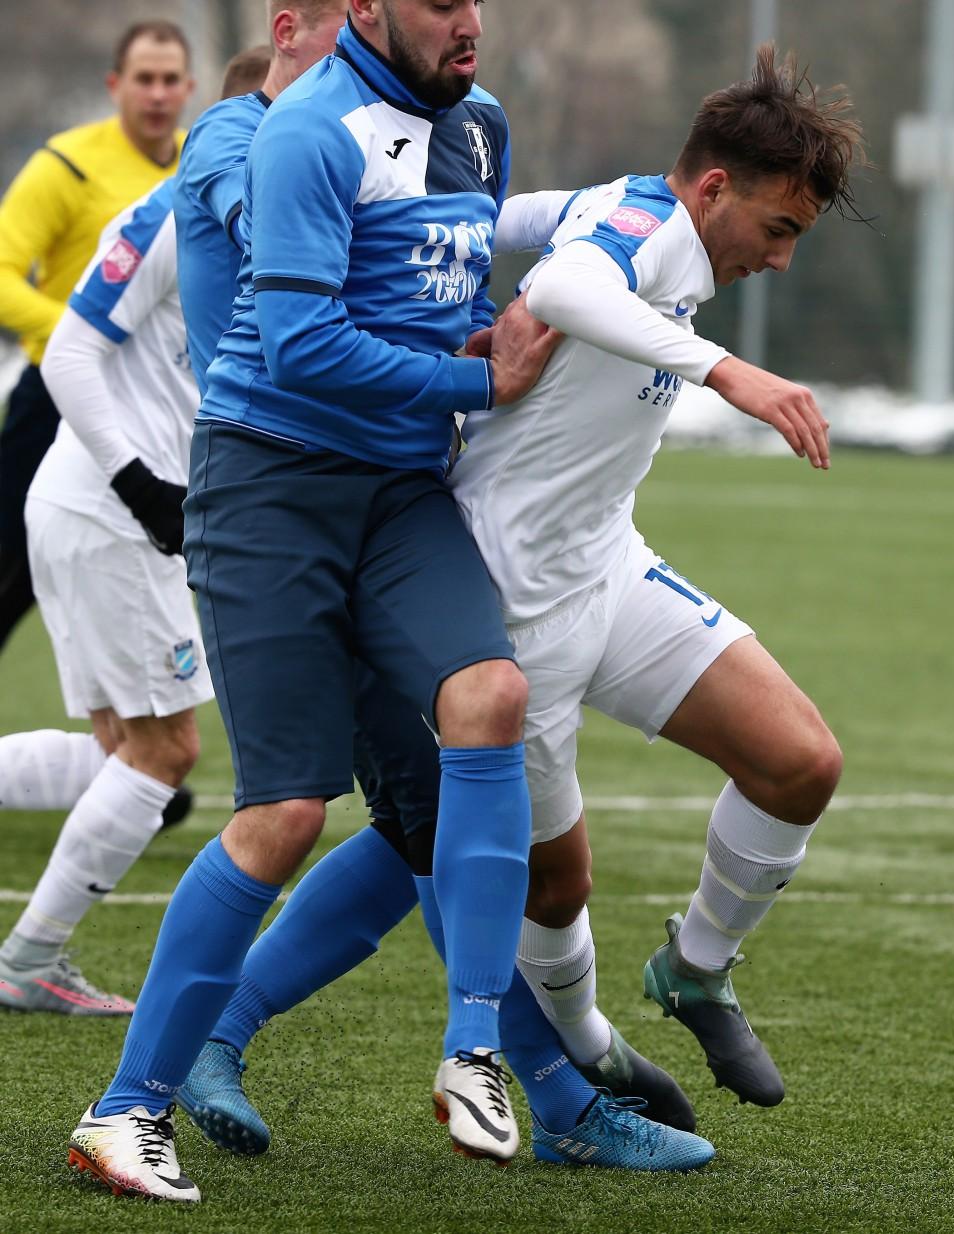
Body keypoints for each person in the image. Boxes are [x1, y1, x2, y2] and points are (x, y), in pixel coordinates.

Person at [161, 41, 861, 1158]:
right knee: (490, 863)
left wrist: (465, 274)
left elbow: (499, 223)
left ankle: (693, 971)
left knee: (799, 760)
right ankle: (581, 1064)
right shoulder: (637, 232)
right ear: (714, 187)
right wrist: (726, 370)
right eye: (777, 230)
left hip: (608, 569)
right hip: (497, 592)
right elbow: (575, 282)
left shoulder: (621, 207)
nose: (778, 258)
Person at [67, 0, 571, 1203]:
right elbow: (299, 346)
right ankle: (124, 1109)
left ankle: (474, 1051)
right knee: (286, 812)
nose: (469, 22)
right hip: (269, 487)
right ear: (363, 9)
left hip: (400, 491)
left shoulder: (482, 125)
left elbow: (455, 295)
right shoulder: (301, 131)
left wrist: (494, 338)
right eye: (440, 2)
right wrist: (479, 383)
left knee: (490, 699)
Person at [0, 42, 276, 1023]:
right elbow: (68, 353)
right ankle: (29, 960)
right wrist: (144, 487)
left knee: (121, 747)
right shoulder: (170, 213)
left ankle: (31, 959)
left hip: (103, 511)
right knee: (164, 754)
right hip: (111, 513)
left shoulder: (257, 217)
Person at [0, 21, 193, 654]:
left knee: (130, 573)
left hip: (152, 401)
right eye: (144, 79)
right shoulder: (66, 164)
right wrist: (77, 330)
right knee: (11, 570)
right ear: (115, 85)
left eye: (170, 80)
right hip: (58, 394)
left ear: (190, 88)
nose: (157, 94)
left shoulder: (202, 163)